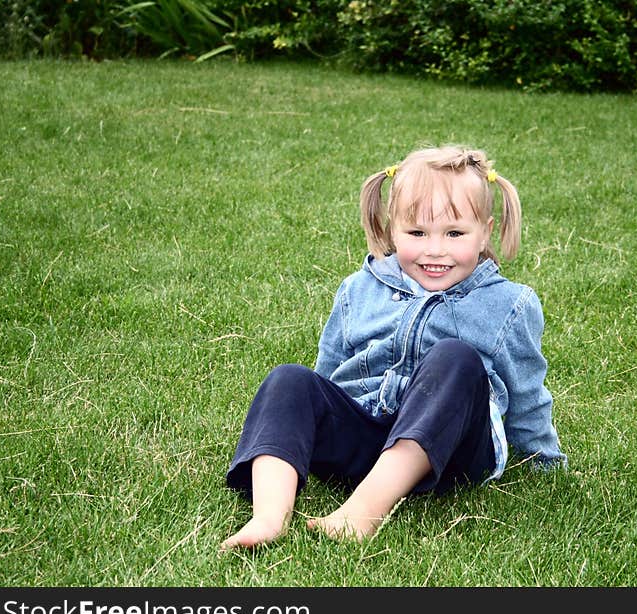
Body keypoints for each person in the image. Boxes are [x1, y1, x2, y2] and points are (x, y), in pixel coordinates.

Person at [221, 144, 566, 549]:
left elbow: (527, 394)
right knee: (290, 380)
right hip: (366, 442)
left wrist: (543, 459)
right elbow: (328, 375)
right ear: (391, 230)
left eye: (454, 234)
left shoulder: (508, 303)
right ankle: (268, 517)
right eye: (417, 233)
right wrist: (312, 416)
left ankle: (362, 512)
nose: (435, 249)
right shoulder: (359, 289)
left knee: (455, 358)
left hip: (452, 455)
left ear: (485, 232)